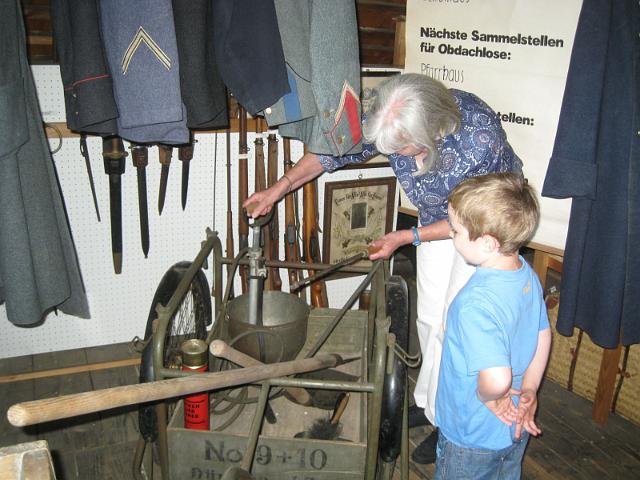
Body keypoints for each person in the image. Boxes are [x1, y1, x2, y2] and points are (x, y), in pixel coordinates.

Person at [244, 73, 522, 463]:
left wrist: (405, 238)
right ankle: (429, 405)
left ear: (433, 129)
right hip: (438, 217)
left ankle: (450, 423)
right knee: (428, 318)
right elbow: (332, 153)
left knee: (455, 324)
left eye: (404, 148)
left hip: (484, 226)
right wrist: (278, 188)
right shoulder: (391, 119)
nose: (398, 155)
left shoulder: (477, 141)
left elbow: (473, 221)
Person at [435, 173, 550, 479]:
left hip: (471, 435)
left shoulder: (474, 305)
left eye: (456, 230)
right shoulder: (526, 275)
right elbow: (542, 333)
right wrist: (530, 388)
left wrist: (490, 397)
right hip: (515, 425)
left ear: (487, 243)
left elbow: (497, 379)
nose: (450, 235)